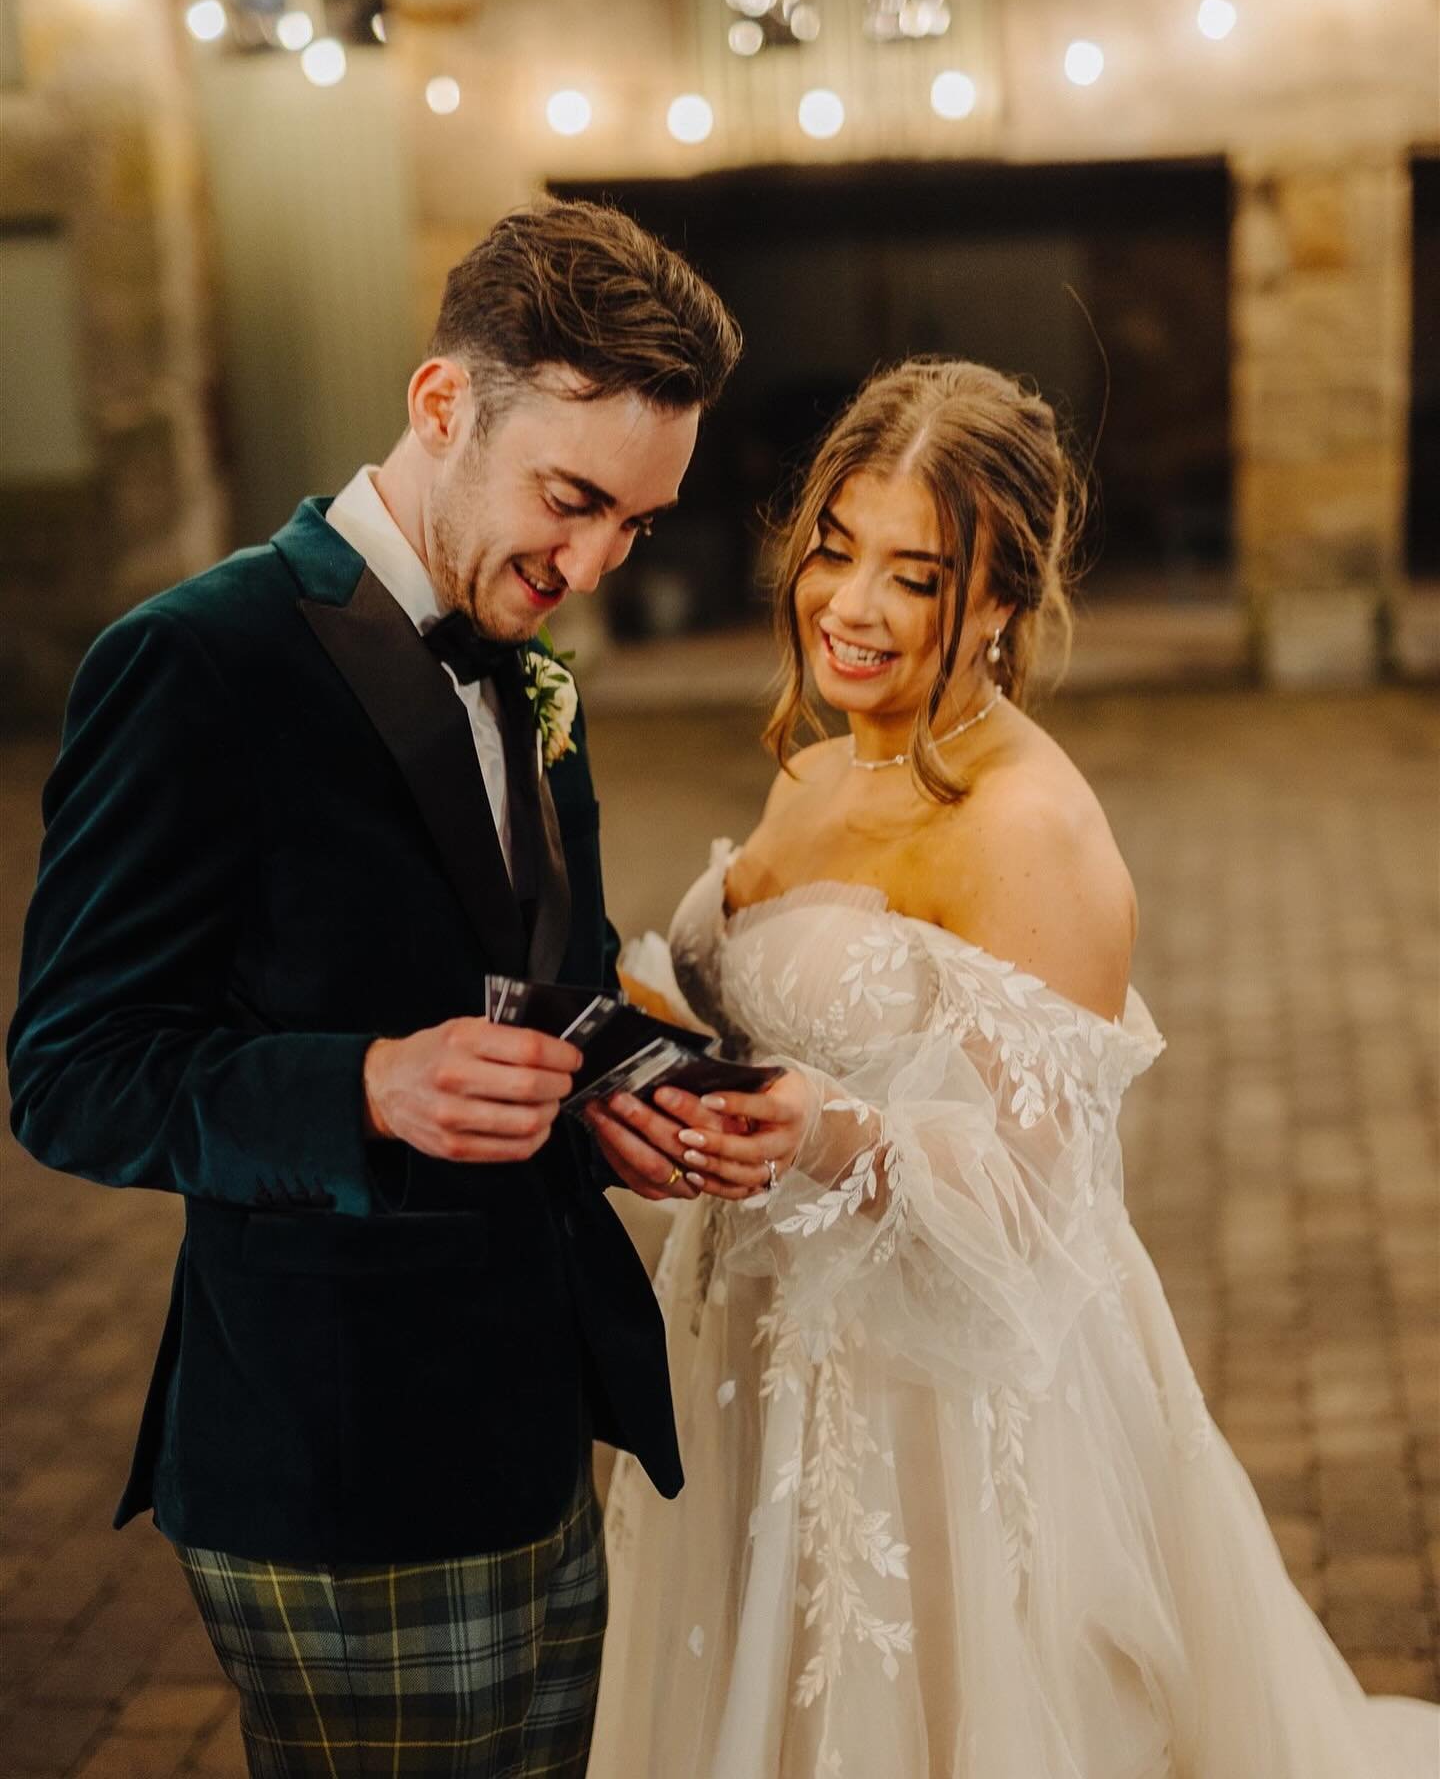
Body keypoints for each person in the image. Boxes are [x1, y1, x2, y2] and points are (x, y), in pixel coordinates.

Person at [6, 198, 776, 1778]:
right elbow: (74, 1071)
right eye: (572, 501)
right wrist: (361, 1085)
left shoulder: (523, 649)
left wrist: (627, 1094)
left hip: (533, 1413)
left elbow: (535, 973)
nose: (595, 562)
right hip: (337, 1449)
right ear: (442, 406)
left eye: (635, 523)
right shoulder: (197, 663)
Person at [585, 358, 1440, 1776]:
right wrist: (643, 1014)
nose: (849, 608)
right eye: (834, 551)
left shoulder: (1025, 830)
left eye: (914, 578)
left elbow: (1049, 1196)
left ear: (998, 602)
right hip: (753, 1361)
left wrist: (826, 1133)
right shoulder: (821, 765)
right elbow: (756, 1002)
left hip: (927, 1412)